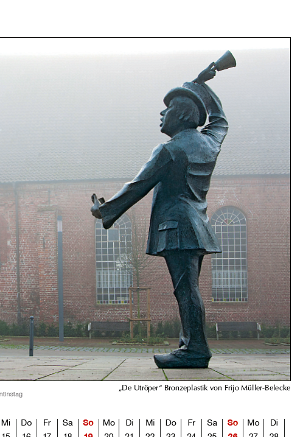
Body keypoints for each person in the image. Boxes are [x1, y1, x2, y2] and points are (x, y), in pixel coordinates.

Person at [91, 64, 227, 368]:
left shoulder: (169, 150)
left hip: (176, 227)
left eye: (168, 109)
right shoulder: (209, 143)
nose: (162, 114)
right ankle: (189, 344)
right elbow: (220, 120)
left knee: (186, 290)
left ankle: (195, 350)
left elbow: (138, 185)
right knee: (189, 289)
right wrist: (203, 85)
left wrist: (105, 211)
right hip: (197, 226)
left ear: (182, 115)